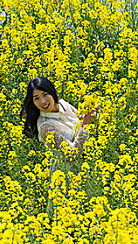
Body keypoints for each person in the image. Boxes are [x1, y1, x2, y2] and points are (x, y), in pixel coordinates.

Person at [20, 76, 99, 217]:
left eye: (45, 95)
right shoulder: (45, 126)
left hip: (90, 172)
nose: (43, 101)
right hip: (69, 180)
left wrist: (91, 113)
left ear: (52, 92)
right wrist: (86, 124)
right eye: (36, 98)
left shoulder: (63, 104)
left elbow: (80, 121)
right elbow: (72, 153)